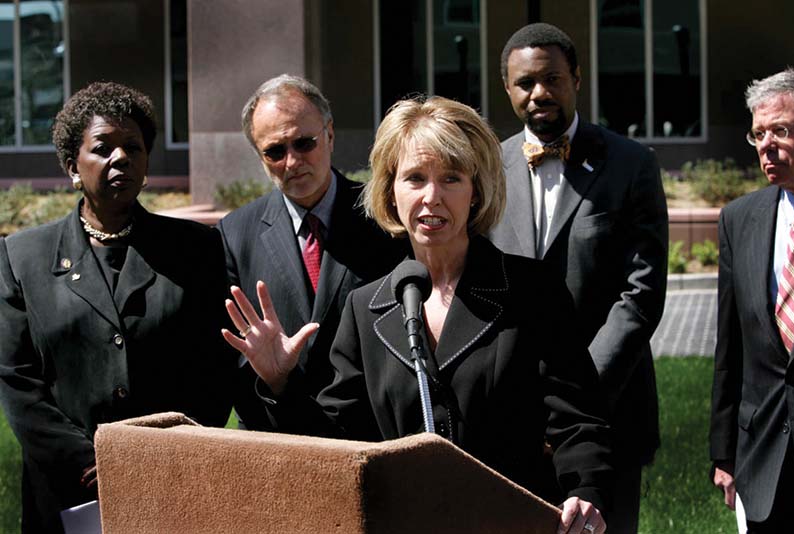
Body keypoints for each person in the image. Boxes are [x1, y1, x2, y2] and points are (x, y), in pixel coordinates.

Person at [223, 95, 614, 534]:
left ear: (476, 190)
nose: (432, 197)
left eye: (451, 178)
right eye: (414, 178)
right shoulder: (366, 307)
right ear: (391, 191)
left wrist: (586, 491)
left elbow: (577, 417)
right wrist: (281, 383)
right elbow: (338, 445)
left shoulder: (531, 289)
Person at [0, 82, 236, 533]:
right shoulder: (21, 258)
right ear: (72, 164)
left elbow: (216, 365)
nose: (121, 158)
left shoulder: (195, 249)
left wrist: (165, 455)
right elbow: (17, 381)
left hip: (172, 481)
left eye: (133, 147)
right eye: (103, 147)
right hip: (66, 492)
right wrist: (90, 462)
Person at [488, 23, 668, 533]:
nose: (539, 93)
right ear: (508, 89)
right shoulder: (487, 167)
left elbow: (640, 296)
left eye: (552, 79)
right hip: (512, 413)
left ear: (576, 80)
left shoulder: (632, 164)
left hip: (608, 406)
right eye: (525, 83)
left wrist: (578, 395)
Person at [217, 74, 404, 430]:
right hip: (281, 438)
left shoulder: (386, 217)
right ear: (259, 156)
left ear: (330, 135)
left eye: (304, 143)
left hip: (373, 435)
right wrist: (274, 383)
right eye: (275, 151)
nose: (291, 162)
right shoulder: (235, 233)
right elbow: (233, 361)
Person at [709, 68, 794, 532]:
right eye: (758, 133)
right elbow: (731, 348)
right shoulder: (739, 219)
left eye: (781, 130)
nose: (766, 144)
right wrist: (723, 453)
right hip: (762, 453)